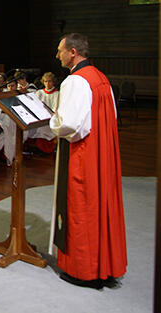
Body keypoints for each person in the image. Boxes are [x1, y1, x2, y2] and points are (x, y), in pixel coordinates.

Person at [50, 33, 126, 287]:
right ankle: (105, 265)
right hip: (102, 151)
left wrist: (53, 121)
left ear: (73, 52)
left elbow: (70, 124)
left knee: (81, 206)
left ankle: (84, 270)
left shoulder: (75, 81)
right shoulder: (100, 77)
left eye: (60, 50)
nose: (57, 55)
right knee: (101, 204)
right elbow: (111, 116)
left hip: (83, 153)